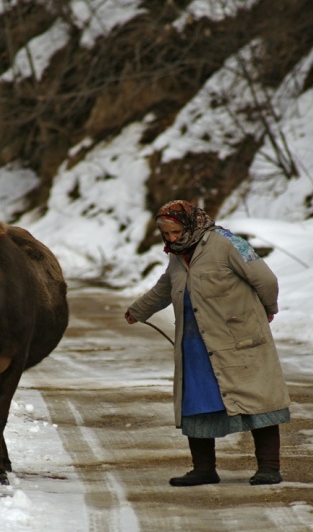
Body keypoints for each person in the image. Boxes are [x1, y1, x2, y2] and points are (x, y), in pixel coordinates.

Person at [124, 200, 291, 487]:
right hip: (195, 345)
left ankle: (269, 468)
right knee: (196, 403)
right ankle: (203, 469)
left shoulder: (227, 243)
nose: (172, 238)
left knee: (258, 401)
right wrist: (138, 310)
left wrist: (268, 309)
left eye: (176, 232)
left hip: (238, 340)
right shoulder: (178, 256)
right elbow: (165, 287)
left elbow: (265, 278)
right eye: (166, 234)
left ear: (190, 224)